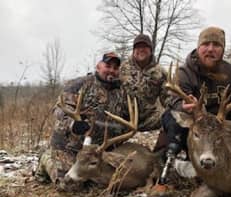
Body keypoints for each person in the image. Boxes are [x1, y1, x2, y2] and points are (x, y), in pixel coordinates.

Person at [161, 26, 231, 177]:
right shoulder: (185, 72)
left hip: (217, 128)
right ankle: (173, 156)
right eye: (205, 44)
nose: (210, 49)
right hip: (194, 124)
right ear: (199, 48)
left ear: (223, 50)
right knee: (172, 117)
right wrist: (183, 106)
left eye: (216, 45)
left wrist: (229, 131)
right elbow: (174, 99)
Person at [35, 52, 127, 184]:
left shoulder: (120, 92)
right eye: (108, 66)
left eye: (115, 68)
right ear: (98, 66)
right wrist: (73, 124)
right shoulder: (80, 84)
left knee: (107, 182)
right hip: (69, 147)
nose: (111, 71)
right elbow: (59, 110)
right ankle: (46, 157)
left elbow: (126, 118)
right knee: (68, 185)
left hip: (97, 152)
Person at [120, 33, 169, 132]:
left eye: (145, 47)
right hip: (124, 118)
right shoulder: (121, 68)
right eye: (138, 47)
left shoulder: (161, 72)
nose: (141, 49)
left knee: (170, 117)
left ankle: (164, 146)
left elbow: (167, 99)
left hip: (149, 120)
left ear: (151, 50)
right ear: (133, 50)